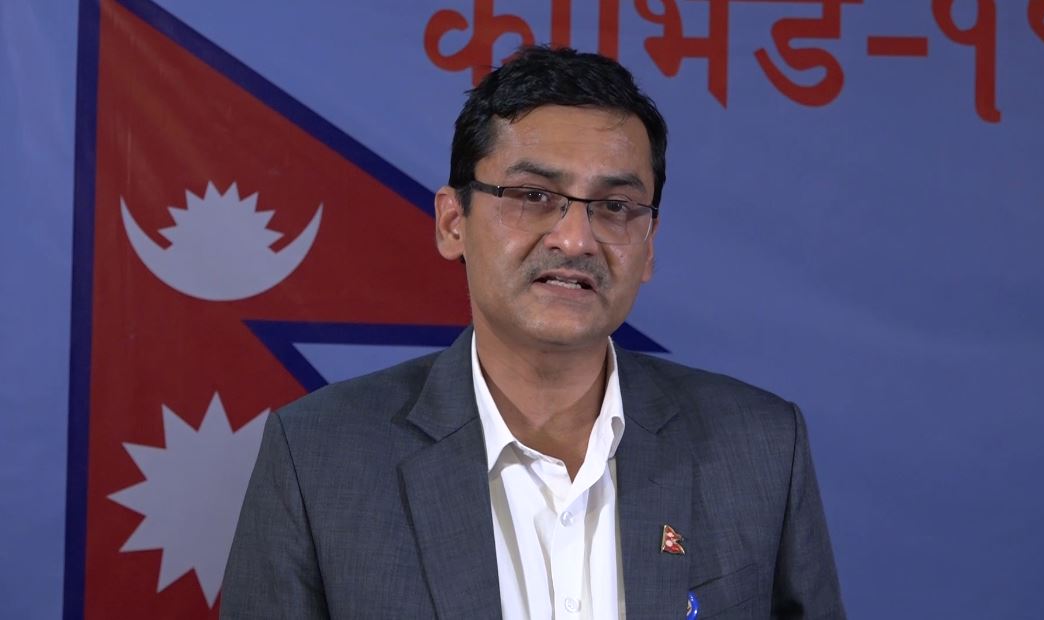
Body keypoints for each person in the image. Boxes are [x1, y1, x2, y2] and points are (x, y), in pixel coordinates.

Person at [222, 45, 845, 619]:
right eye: (533, 195)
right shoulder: (320, 458)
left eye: (615, 207)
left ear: (649, 245)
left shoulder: (759, 448)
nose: (575, 239)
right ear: (452, 223)